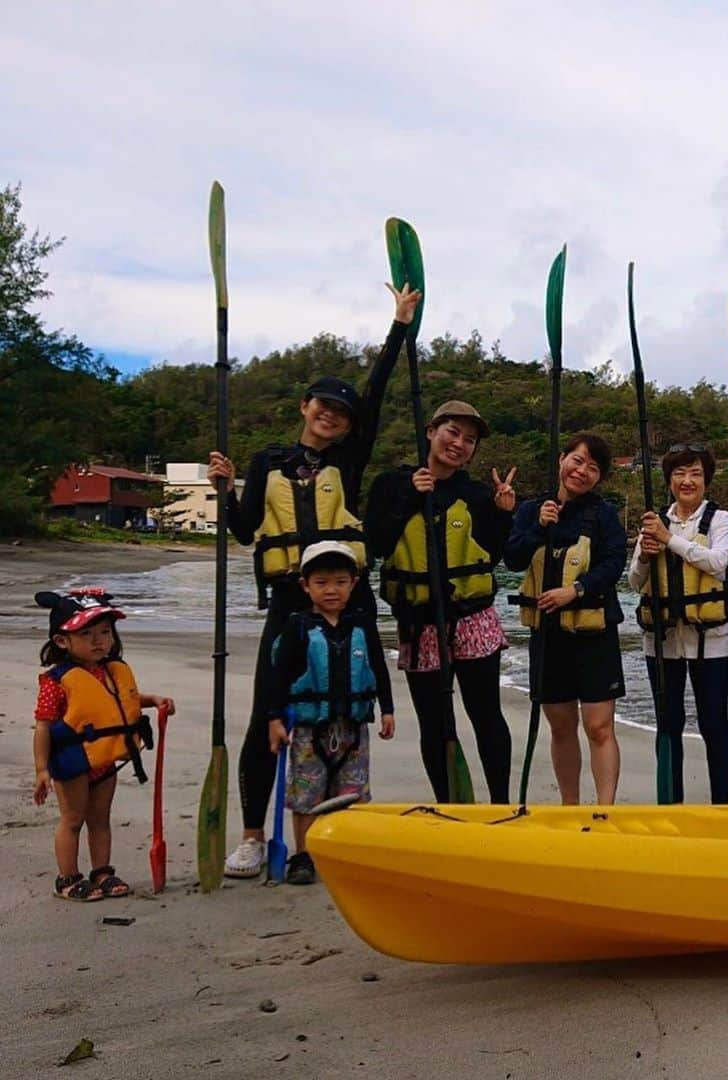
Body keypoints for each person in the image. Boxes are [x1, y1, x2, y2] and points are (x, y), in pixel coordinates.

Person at [207, 281, 420, 878]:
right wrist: (225, 492)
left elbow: (375, 396)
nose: (331, 417)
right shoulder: (266, 462)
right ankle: (253, 835)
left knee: (341, 714)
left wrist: (399, 326)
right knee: (266, 714)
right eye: (323, 406)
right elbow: (248, 531)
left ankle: (333, 833)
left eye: (341, 414)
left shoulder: (347, 463)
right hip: (287, 604)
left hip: (345, 602)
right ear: (305, 406)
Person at [367, 401, 516, 803]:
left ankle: (500, 802)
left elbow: (494, 554)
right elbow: (376, 544)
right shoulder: (391, 484)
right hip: (419, 623)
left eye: (469, 440)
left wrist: (504, 515)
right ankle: (449, 803)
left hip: (473, 618)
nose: (460, 444)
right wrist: (411, 499)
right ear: (431, 431)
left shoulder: (477, 494)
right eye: (453, 432)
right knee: (436, 724)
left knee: (486, 716)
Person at [32, 589, 176, 901]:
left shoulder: (110, 671)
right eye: (87, 634)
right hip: (72, 758)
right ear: (61, 641)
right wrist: (42, 768)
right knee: (73, 820)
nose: (99, 641)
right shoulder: (56, 681)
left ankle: (102, 872)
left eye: (105, 632)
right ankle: (67, 878)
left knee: (100, 819)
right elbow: (43, 725)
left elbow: (125, 701)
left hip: (105, 759)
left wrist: (154, 701)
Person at [506, 433, 627, 805]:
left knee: (598, 726)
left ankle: (605, 809)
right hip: (549, 636)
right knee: (561, 726)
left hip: (594, 634)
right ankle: (569, 807)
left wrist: (575, 590)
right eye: (577, 461)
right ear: (562, 460)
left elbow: (613, 563)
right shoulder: (531, 510)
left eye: (593, 468)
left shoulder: (603, 514)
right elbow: (512, 559)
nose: (582, 471)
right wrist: (540, 527)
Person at [266, 542, 394, 884]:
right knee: (307, 795)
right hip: (310, 729)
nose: (331, 590)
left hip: (353, 727)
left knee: (351, 792)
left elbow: (379, 667)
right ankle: (304, 855)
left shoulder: (362, 624)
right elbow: (278, 677)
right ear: (305, 586)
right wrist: (274, 719)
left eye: (340, 581)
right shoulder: (297, 626)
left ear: (353, 583)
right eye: (321, 582)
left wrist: (388, 710)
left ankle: (344, 851)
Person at [629, 444, 728, 803]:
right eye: (679, 474)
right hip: (662, 640)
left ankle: (720, 804)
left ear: (706, 480)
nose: (687, 481)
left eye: (695, 474)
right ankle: (670, 802)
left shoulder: (720, 520)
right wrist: (645, 554)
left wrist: (668, 539)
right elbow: (634, 581)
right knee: (669, 724)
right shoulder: (655, 519)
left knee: (713, 724)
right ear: (669, 480)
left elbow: (718, 562)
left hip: (710, 639)